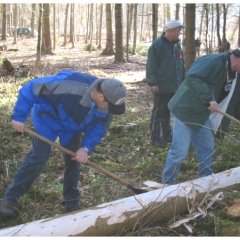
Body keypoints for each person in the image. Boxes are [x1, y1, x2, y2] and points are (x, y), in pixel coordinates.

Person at [0, 70, 127, 217]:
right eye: (109, 105)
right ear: (100, 96)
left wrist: (85, 148)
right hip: (48, 120)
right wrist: (19, 117)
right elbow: (31, 88)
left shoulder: (107, 106)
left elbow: (98, 129)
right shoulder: (69, 84)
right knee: (39, 158)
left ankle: (71, 200)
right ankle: (10, 198)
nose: (110, 110)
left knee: (74, 160)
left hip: (72, 129)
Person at [161, 47, 240, 185]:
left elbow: (235, 100)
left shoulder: (235, 75)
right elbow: (192, 77)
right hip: (185, 111)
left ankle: (206, 179)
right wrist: (209, 98)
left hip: (202, 116)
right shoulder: (213, 61)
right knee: (180, 151)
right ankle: (167, 183)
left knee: (207, 148)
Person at [146, 19, 186, 148]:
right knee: (158, 112)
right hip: (161, 86)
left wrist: (183, 80)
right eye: (178, 31)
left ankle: (168, 135)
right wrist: (152, 82)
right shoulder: (157, 45)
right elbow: (151, 65)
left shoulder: (177, 45)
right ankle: (155, 137)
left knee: (168, 112)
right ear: (171, 31)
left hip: (175, 86)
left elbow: (180, 64)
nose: (180, 33)